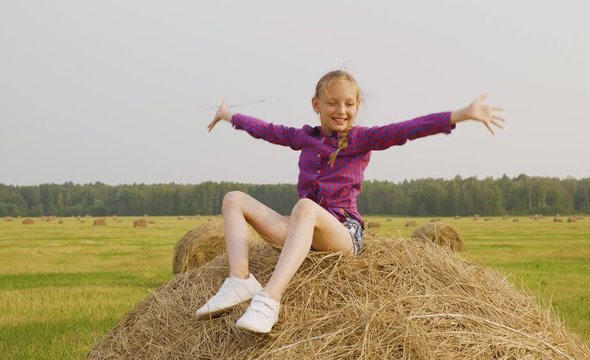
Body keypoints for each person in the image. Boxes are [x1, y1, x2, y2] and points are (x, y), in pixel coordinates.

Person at [196, 70, 505, 333]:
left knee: (304, 207)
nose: (341, 110)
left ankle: (269, 299)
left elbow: (407, 130)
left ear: (358, 107)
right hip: (301, 232)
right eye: (332, 102)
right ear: (316, 105)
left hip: (343, 234)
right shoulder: (304, 138)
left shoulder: (361, 140)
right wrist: (229, 116)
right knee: (234, 199)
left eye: (349, 103)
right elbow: (267, 130)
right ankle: (239, 280)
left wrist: (460, 115)